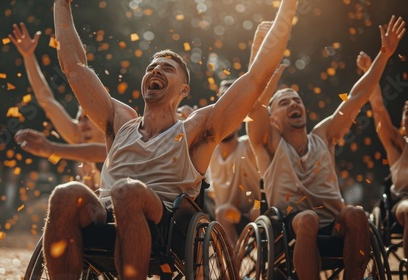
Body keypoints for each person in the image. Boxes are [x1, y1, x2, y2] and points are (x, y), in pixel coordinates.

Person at [43, 0, 298, 278]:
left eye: (166, 69)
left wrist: (288, 7)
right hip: (104, 213)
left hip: (165, 223)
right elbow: (75, 67)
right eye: (152, 67)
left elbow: (255, 79)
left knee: (126, 191)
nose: (156, 70)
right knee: (65, 194)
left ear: (184, 89)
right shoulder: (119, 121)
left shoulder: (195, 129)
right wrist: (61, 4)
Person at [247, 15, 406, 279]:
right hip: (288, 228)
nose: (294, 104)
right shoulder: (269, 142)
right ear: (273, 119)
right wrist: (258, 54)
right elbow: (252, 105)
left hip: (334, 226)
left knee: (356, 213)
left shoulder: (323, 134)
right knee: (307, 218)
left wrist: (384, 55)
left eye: (297, 100)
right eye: (284, 103)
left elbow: (357, 96)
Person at [8, 23, 106, 191]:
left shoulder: (118, 137)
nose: (82, 124)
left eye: (87, 118)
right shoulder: (77, 137)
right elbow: (46, 101)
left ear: (101, 121)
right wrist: (28, 56)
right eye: (79, 118)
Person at [205, 79, 262, 245]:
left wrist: (258, 206)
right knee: (222, 212)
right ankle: (231, 269)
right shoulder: (209, 150)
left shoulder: (248, 145)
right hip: (227, 215)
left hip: (256, 211)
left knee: (257, 212)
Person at [365, 50, 408, 258]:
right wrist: (369, 71)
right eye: (407, 113)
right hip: (402, 205)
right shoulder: (398, 144)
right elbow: (380, 110)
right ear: (403, 123)